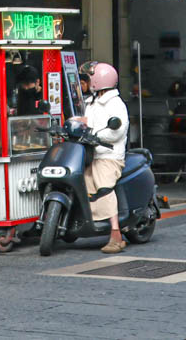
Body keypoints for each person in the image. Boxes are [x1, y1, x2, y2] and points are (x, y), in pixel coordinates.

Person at [78, 62, 129, 254]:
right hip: (92, 153)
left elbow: (116, 131)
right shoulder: (92, 102)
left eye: (87, 78)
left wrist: (95, 135)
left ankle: (116, 235)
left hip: (109, 155)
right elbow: (89, 122)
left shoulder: (115, 104)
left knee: (103, 187)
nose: (85, 82)